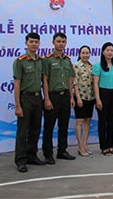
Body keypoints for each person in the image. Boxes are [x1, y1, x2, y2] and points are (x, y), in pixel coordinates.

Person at [13, 32, 46, 172]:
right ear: (26, 43)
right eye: (31, 41)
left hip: (38, 98)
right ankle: (21, 160)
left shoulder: (40, 61)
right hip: (25, 98)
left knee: (36, 128)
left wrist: (46, 98)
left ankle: (32, 155)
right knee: (23, 131)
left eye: (36, 42)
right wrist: (18, 105)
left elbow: (43, 81)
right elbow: (17, 84)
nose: (34, 44)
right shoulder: (20, 61)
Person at [42, 32, 76, 164]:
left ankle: (62, 150)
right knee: (49, 126)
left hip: (65, 96)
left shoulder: (67, 59)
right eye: (58, 41)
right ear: (53, 42)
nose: (61, 44)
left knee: (64, 125)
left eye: (63, 42)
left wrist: (71, 97)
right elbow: (44, 80)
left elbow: (70, 79)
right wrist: (47, 98)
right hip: (53, 96)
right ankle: (48, 153)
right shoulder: (48, 59)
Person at [93, 42, 113, 156]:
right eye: (107, 50)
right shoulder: (98, 66)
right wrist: (98, 99)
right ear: (103, 52)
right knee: (102, 121)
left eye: (112, 50)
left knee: (111, 121)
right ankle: (103, 147)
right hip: (103, 93)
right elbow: (95, 84)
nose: (110, 52)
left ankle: (110, 146)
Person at [73, 45, 95, 157]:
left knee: (87, 121)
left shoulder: (91, 67)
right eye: (83, 53)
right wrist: (77, 98)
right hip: (80, 98)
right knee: (79, 122)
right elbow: (74, 83)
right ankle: (80, 146)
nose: (85, 55)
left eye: (87, 53)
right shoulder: (76, 66)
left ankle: (85, 144)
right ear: (79, 54)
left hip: (90, 98)